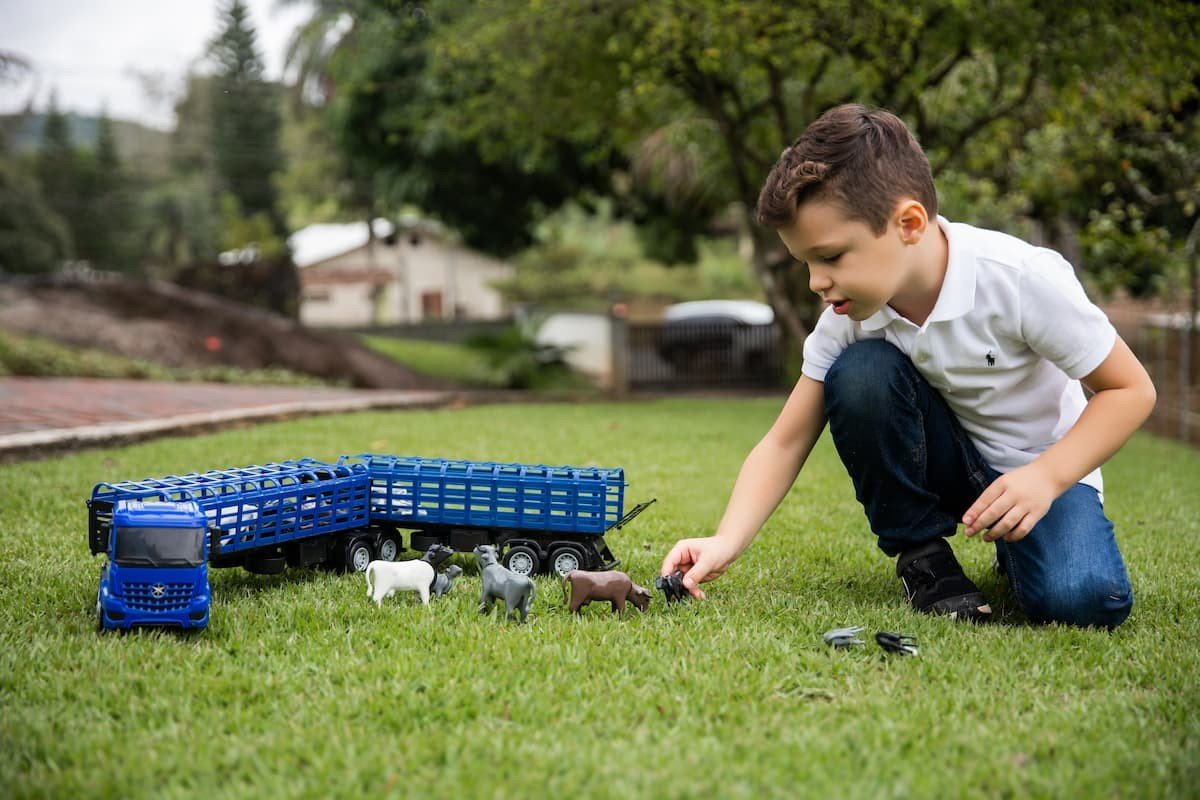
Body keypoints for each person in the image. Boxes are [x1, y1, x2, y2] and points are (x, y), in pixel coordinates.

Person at [660, 104, 1156, 628]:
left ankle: (1018, 542)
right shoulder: (847, 319)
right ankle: (924, 559)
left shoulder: (1019, 279)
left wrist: (1046, 478)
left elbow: (1129, 390)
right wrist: (726, 540)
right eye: (805, 262)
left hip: (1042, 471)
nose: (816, 282)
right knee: (860, 373)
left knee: (1084, 603)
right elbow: (785, 440)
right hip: (945, 467)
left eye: (830, 257)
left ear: (909, 223)